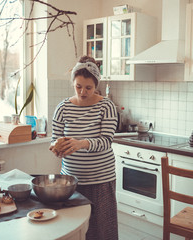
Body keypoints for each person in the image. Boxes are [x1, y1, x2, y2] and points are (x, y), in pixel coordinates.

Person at [49, 55, 118, 240]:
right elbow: (54, 140)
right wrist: (56, 147)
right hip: (71, 181)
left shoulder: (106, 106)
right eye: (78, 86)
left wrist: (81, 143)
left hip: (101, 179)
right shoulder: (62, 108)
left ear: (96, 86)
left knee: (102, 231)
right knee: (75, 231)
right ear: (73, 83)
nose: (82, 92)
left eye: (88, 88)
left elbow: (106, 141)